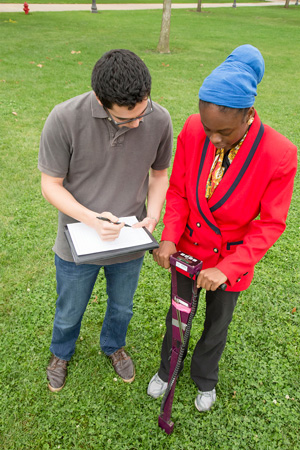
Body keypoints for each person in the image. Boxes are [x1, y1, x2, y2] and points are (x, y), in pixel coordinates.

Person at [147, 45, 297, 412]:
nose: (213, 139)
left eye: (223, 132)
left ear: (249, 115)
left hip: (230, 260)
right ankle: (169, 369)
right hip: (187, 248)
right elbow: (180, 189)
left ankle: (205, 378)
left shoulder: (280, 154)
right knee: (178, 314)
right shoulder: (194, 127)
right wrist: (169, 237)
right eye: (207, 129)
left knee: (217, 323)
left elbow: (270, 224)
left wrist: (226, 269)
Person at [38, 49, 173, 392]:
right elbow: (50, 185)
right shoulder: (64, 118)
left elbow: (159, 175)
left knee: (122, 308)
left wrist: (153, 214)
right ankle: (61, 352)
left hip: (129, 241)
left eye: (144, 110)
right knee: (69, 309)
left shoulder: (159, 118)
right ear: (100, 101)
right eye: (127, 119)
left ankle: (114, 346)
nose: (139, 122)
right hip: (76, 240)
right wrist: (90, 219)